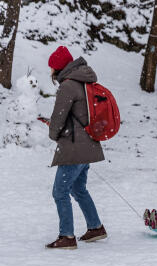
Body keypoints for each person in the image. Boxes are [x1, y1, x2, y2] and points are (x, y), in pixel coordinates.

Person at [45, 46, 107, 250]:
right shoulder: (84, 80)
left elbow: (59, 116)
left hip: (74, 148)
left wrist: (53, 134)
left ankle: (66, 236)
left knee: (59, 192)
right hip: (87, 144)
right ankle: (95, 227)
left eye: (52, 67)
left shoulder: (68, 85)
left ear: (59, 67)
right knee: (78, 188)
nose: (51, 72)